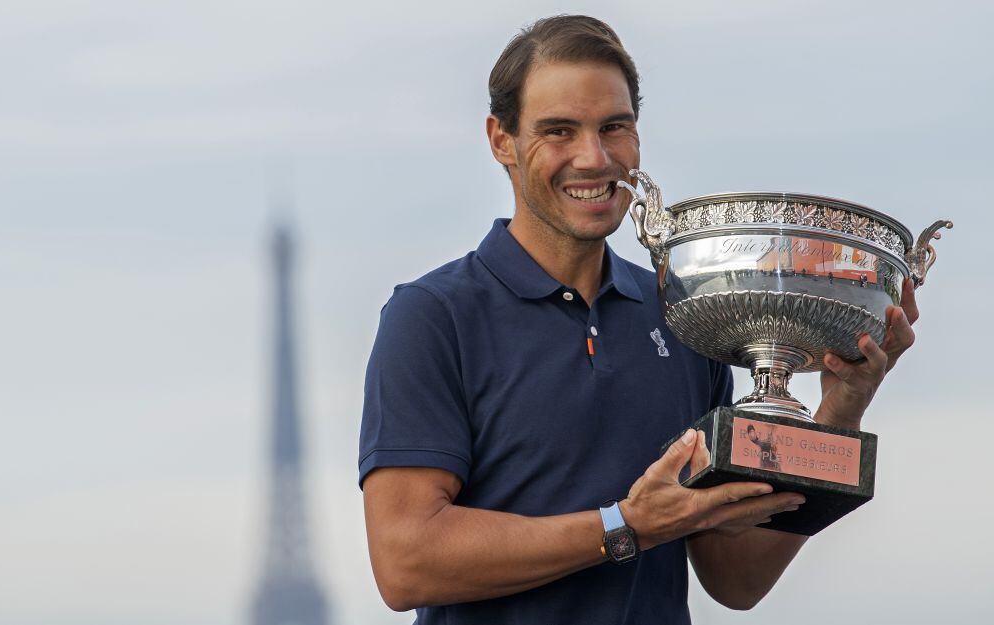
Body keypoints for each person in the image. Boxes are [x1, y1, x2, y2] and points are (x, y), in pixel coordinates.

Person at [358, 14, 918, 624]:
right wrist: (626, 527)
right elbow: (406, 562)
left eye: (614, 127)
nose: (594, 158)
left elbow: (734, 579)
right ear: (501, 140)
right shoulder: (432, 316)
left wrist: (838, 411)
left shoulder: (685, 312)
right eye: (559, 130)